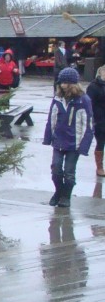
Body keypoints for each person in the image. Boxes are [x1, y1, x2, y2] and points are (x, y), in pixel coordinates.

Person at [43, 67, 94, 207]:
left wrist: (84, 145)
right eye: (61, 82)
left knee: (69, 172)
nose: (63, 85)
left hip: (74, 143)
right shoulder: (57, 99)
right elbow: (51, 119)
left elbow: (88, 125)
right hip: (58, 141)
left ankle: (66, 196)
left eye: (65, 83)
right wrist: (48, 137)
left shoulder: (83, 100)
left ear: (73, 84)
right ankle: (59, 191)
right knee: (56, 169)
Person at [86, 65, 105, 177]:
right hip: (99, 119)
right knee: (101, 142)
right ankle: (100, 167)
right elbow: (88, 103)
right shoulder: (94, 86)